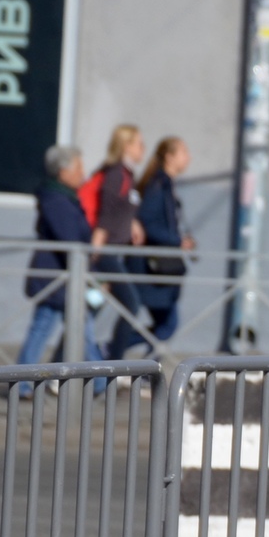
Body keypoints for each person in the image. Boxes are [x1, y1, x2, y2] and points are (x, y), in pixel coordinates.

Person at [15, 144, 101, 387]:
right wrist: (92, 277)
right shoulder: (57, 200)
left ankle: (21, 384)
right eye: (78, 167)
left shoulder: (64, 198)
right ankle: (101, 383)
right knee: (69, 330)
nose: (83, 173)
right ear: (63, 172)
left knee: (68, 329)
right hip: (57, 278)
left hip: (61, 279)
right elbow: (72, 242)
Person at [124, 136, 194, 354]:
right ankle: (115, 351)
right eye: (183, 152)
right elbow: (147, 221)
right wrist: (177, 240)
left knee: (165, 324)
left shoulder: (164, 184)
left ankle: (122, 354)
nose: (188, 157)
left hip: (159, 267)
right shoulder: (159, 184)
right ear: (169, 157)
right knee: (168, 324)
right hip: (152, 267)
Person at [86, 124, 146, 356]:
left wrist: (134, 223)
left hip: (114, 253)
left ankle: (58, 367)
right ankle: (115, 363)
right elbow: (105, 216)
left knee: (90, 312)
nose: (143, 148)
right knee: (131, 304)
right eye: (139, 143)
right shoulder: (116, 174)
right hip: (106, 254)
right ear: (126, 146)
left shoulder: (128, 175)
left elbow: (122, 209)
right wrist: (94, 258)